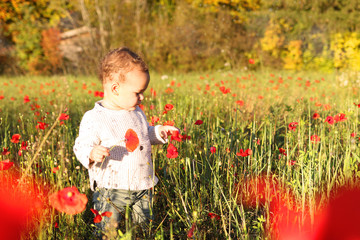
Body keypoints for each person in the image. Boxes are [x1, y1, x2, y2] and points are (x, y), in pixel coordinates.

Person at [73, 47, 178, 237]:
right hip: (111, 188)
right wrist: (91, 153)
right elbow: (81, 145)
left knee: (143, 229)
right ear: (115, 88)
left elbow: (143, 134)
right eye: (138, 92)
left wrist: (159, 131)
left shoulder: (136, 111)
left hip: (142, 184)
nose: (142, 97)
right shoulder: (94, 117)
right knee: (107, 229)